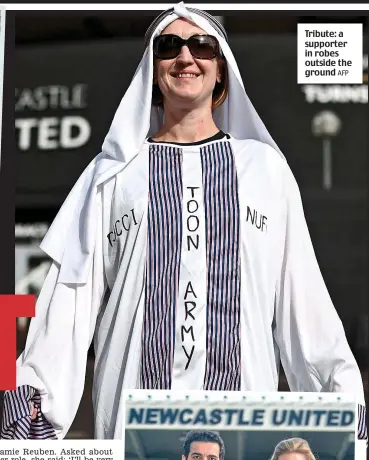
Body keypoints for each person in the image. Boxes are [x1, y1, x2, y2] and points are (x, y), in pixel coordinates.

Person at [1, 2, 366, 440]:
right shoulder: (112, 174)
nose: (186, 56)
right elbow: (67, 307)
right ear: (152, 70)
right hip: (131, 430)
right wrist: (30, 416)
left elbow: (304, 303)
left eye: (202, 45)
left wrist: (342, 408)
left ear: (221, 69)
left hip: (243, 430)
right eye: (169, 45)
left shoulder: (264, 169)